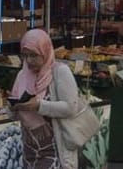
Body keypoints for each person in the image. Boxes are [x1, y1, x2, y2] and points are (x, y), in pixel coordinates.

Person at [10, 29, 91, 169]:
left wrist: (39, 106)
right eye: (25, 55)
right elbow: (14, 115)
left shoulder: (60, 72)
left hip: (55, 152)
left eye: (34, 55)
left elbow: (71, 108)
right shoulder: (22, 76)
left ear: (45, 51)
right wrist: (13, 107)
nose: (29, 60)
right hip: (30, 152)